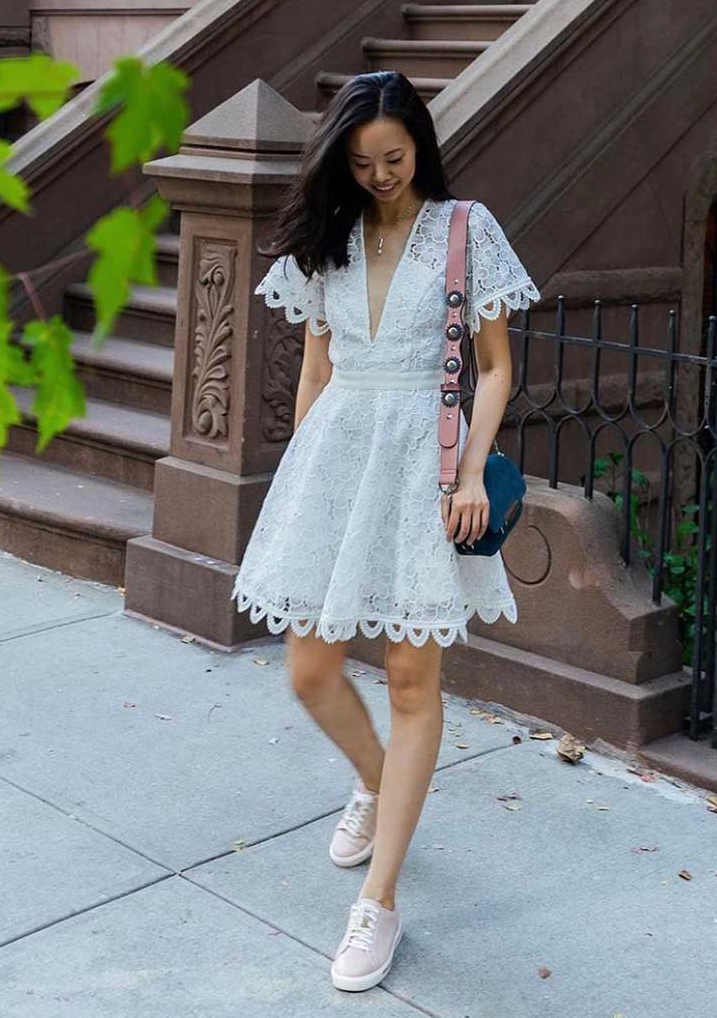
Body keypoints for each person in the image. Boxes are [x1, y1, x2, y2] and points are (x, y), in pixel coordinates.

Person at [231, 70, 540, 993]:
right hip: (337, 456)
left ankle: (382, 899)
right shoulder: (327, 242)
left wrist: (475, 467)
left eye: (394, 158)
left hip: (427, 465)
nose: (379, 176)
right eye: (361, 162)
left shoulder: (463, 230)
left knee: (412, 678)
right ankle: (375, 782)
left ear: (421, 148)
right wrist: (297, 478)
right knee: (310, 670)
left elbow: (494, 368)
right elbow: (316, 375)